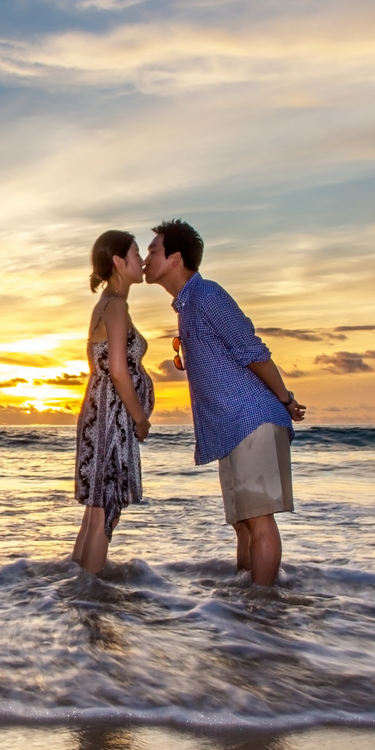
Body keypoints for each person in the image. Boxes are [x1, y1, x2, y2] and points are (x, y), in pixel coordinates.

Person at [142, 219, 306, 586]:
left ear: (175, 258)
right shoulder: (186, 307)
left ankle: (263, 609)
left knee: (259, 520)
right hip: (230, 428)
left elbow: (253, 350)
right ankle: (246, 611)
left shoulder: (208, 296)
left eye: (153, 251)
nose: (146, 258)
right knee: (243, 524)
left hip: (252, 419)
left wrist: (286, 399)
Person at [72, 230, 154, 575]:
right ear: (119, 262)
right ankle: (91, 602)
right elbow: (118, 371)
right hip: (112, 417)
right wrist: (140, 419)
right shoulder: (116, 306)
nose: (142, 260)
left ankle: (79, 591)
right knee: (104, 510)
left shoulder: (105, 304)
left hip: (99, 412)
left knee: (95, 513)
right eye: (136, 254)